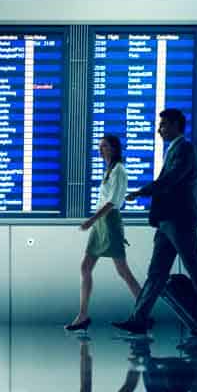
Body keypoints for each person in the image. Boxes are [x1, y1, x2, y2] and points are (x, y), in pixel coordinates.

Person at [113, 109, 197, 336]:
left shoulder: (185, 149)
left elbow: (171, 179)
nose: (159, 130)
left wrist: (142, 191)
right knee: (157, 273)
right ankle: (138, 319)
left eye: (162, 125)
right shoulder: (175, 149)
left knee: (194, 268)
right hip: (167, 221)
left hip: (179, 220)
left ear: (174, 125)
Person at [68, 135, 143, 331]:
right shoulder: (109, 170)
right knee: (86, 267)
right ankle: (82, 315)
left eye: (105, 146)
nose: (101, 150)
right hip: (101, 222)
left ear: (115, 148)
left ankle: (144, 313)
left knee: (123, 271)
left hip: (108, 221)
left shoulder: (119, 170)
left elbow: (113, 203)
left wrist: (92, 220)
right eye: (100, 146)